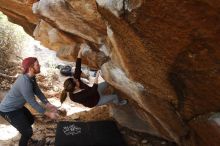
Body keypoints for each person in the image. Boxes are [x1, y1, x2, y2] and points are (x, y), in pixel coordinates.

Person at [0, 57, 59, 146]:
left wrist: (48, 104)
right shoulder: (25, 82)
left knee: (30, 120)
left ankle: (27, 137)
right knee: (27, 132)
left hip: (17, 107)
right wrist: (49, 114)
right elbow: (33, 103)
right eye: (37, 64)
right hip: (8, 110)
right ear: (31, 68)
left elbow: (37, 91)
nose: (40, 66)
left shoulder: (31, 77)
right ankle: (25, 137)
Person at [60, 47, 127, 107]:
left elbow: (77, 67)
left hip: (95, 91)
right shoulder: (76, 97)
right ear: (75, 87)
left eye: (74, 79)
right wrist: (97, 76)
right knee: (114, 97)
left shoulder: (75, 81)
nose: (76, 79)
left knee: (108, 83)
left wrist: (79, 52)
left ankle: (110, 94)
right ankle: (118, 103)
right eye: (76, 81)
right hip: (96, 101)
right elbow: (93, 91)